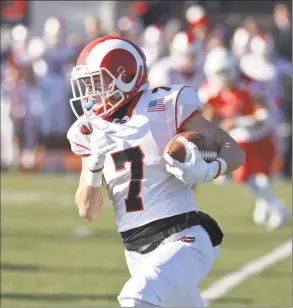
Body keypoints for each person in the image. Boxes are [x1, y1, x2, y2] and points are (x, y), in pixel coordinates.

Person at [66, 36, 245, 307]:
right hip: (136, 252)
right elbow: (88, 211)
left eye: (96, 82)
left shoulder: (166, 105)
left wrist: (209, 170)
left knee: (137, 297)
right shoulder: (87, 131)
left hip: (183, 237)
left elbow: (233, 149)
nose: (90, 92)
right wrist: (94, 164)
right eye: (87, 84)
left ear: (123, 77)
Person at [199, 46, 289, 229]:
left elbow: (264, 116)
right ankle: (272, 205)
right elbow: (208, 118)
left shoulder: (249, 86)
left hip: (261, 135)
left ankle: (273, 205)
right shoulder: (210, 90)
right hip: (239, 138)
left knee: (261, 177)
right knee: (245, 177)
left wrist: (237, 122)